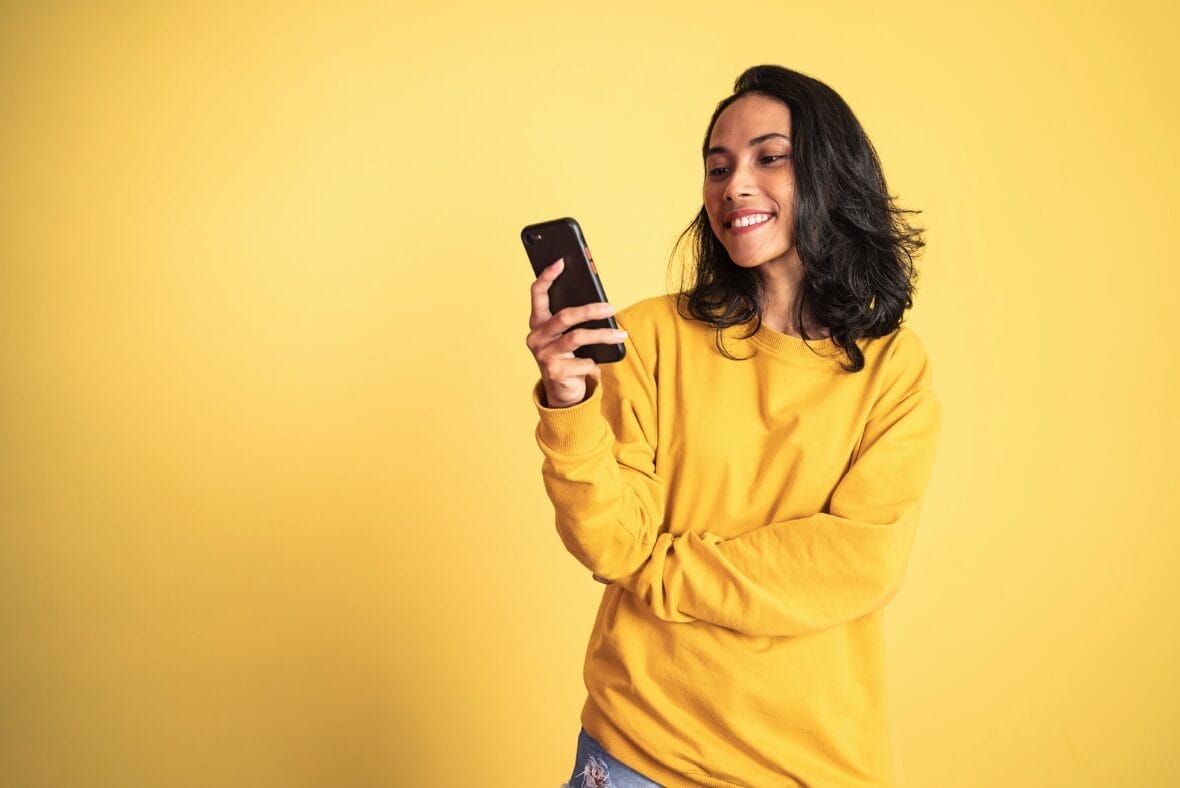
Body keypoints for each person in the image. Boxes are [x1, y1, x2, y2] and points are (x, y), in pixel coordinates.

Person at [526, 65, 941, 788]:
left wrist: (656, 569)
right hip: (638, 754)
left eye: (768, 157)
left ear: (831, 175)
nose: (734, 186)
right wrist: (568, 400)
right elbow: (610, 538)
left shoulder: (893, 369)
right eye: (717, 168)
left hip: (813, 767)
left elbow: (855, 562)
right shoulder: (650, 336)